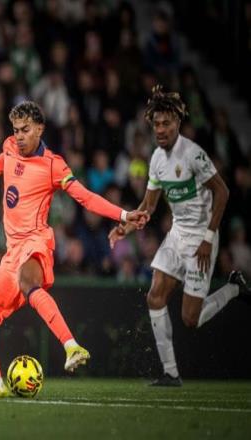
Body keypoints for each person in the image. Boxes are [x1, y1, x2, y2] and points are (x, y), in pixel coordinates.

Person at [0, 101, 149, 397]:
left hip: (36, 241)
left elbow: (85, 198)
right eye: (16, 130)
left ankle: (72, 347)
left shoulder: (53, 165)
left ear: (40, 129)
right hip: (12, 253)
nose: (19, 136)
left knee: (28, 282)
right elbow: (0, 162)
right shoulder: (9, 146)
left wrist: (123, 215)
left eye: (25, 130)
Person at [108, 86, 251, 386]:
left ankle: (233, 288)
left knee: (191, 319)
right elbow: (148, 206)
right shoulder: (157, 160)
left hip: (201, 238)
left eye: (166, 123)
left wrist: (208, 238)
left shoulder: (193, 154)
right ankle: (170, 373)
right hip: (177, 235)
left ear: (178, 122)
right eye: (156, 124)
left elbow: (223, 192)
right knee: (154, 296)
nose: (160, 129)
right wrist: (125, 227)